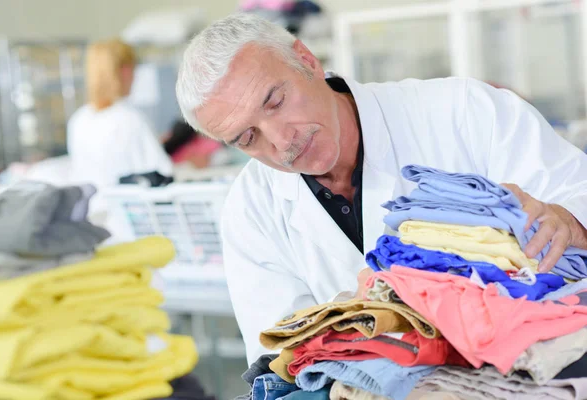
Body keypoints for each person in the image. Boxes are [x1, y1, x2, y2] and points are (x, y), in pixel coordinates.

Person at [175, 13, 587, 365]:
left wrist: (569, 219)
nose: (282, 143)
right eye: (248, 138)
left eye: (276, 101)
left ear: (307, 60)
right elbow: (280, 354)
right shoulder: (251, 209)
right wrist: (353, 314)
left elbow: (576, 192)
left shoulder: (465, 110)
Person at [67, 38, 172, 188]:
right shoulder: (130, 118)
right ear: (125, 70)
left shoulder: (78, 119)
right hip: (123, 207)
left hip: (91, 208)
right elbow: (164, 173)